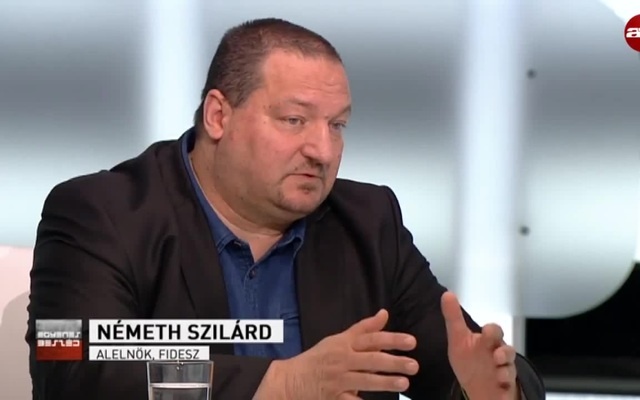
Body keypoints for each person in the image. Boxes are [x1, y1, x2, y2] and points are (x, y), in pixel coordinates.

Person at [26, 18, 544, 400]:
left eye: (337, 125)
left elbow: (472, 365)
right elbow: (73, 367)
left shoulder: (367, 223)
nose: (323, 150)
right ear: (218, 115)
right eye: (295, 120)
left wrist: (492, 391)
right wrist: (280, 383)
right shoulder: (103, 213)